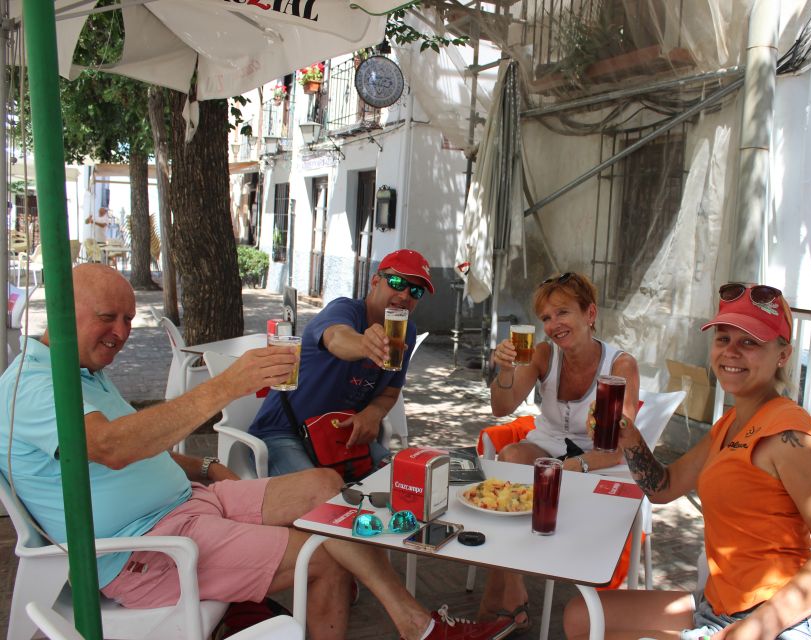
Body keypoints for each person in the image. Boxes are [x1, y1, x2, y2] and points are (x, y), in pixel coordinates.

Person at [0, 264, 511, 640]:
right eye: (108, 318)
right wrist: (226, 387)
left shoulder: (84, 374)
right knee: (323, 553)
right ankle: (416, 624)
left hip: (191, 503)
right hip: (148, 547)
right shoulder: (35, 384)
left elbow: (138, 443)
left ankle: (406, 621)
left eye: (130, 319)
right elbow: (112, 447)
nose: (122, 334)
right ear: (63, 311)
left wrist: (205, 466)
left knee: (328, 488)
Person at [563, 283, 811, 640]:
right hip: (716, 608)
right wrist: (630, 439)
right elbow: (664, 487)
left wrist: (747, 631)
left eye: (749, 342)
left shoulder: (791, 436)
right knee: (582, 616)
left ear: (783, 355)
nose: (731, 352)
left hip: (775, 622)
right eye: (723, 339)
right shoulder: (731, 422)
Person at [482, 272, 640, 631]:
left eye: (563, 313)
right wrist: (505, 370)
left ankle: (499, 601)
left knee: (540, 478)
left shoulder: (620, 366)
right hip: (548, 448)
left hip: (600, 461)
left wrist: (574, 465)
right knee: (508, 461)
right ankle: (511, 584)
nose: (554, 325)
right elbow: (502, 408)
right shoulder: (542, 354)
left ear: (590, 314)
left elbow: (618, 447)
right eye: (547, 318)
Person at [249, 249, 434, 477]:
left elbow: (389, 393)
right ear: (375, 281)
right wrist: (364, 343)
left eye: (416, 291)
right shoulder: (344, 310)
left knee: (409, 480)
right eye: (397, 282)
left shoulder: (406, 332)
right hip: (284, 432)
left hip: (338, 435)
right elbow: (336, 337)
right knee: (321, 495)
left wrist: (372, 414)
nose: (405, 295)